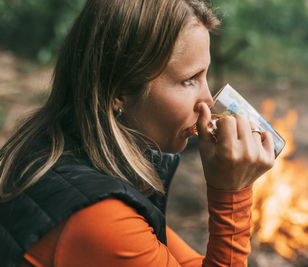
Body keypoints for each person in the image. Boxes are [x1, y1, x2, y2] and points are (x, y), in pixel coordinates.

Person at [0, 0, 275, 266]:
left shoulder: (56, 145)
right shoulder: (102, 219)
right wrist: (231, 193)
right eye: (189, 79)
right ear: (119, 90)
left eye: (205, 76)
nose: (207, 101)